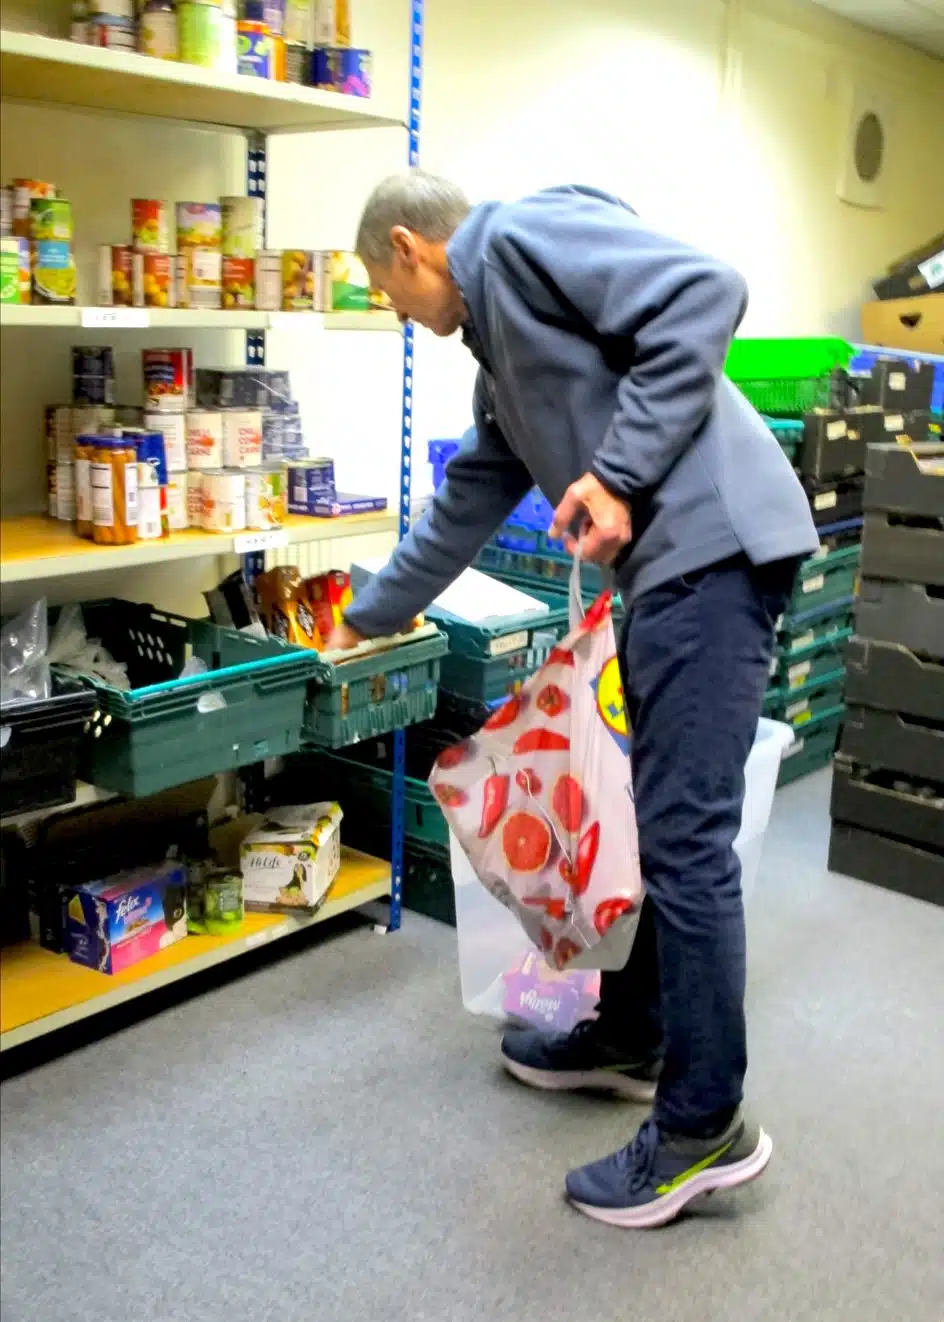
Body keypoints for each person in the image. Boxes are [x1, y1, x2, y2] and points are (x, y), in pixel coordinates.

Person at [327, 172, 819, 1229]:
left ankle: (701, 1128)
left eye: (385, 289)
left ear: (412, 250)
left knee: (685, 841)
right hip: (673, 568)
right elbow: (471, 491)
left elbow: (705, 290)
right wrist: (371, 612)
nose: (395, 311)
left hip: (714, 553)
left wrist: (621, 472)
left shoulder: (520, 240)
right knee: (654, 824)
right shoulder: (495, 346)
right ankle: (635, 1035)